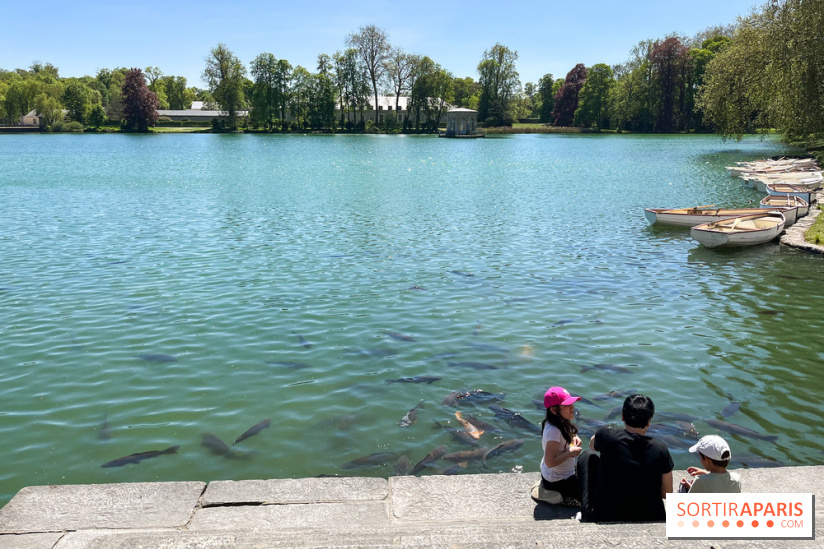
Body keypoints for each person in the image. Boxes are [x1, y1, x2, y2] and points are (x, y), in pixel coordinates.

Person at [576, 394, 674, 522]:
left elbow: (592, 445)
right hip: (650, 515)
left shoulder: (607, 435)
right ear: (649, 421)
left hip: (607, 515)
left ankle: (586, 513)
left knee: (587, 455)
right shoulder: (660, 448)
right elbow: (666, 493)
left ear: (622, 416)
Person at [531, 386, 583, 505]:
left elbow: (564, 438)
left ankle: (545, 486)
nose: (573, 408)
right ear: (554, 410)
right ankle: (556, 496)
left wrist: (573, 437)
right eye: (567, 405)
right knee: (587, 501)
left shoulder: (560, 421)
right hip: (558, 480)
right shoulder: (553, 431)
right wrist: (570, 452)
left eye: (572, 404)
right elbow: (550, 463)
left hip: (562, 473)